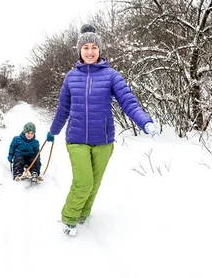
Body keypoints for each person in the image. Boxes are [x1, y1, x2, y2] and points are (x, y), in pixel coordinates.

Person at [46, 24, 159, 237]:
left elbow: (128, 102)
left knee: (94, 184)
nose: (90, 52)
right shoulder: (71, 77)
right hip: (77, 138)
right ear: (79, 50)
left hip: (104, 140)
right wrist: (54, 131)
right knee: (84, 182)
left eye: (94, 47)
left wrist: (145, 122)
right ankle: (69, 219)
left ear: (100, 50)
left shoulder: (112, 76)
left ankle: (83, 215)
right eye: (86, 47)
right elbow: (63, 108)